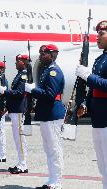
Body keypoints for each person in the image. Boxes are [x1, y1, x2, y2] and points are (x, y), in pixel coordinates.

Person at [25, 44, 65, 189]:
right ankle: (52, 179)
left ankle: (57, 182)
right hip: (46, 114)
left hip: (53, 115)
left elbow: (49, 95)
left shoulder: (54, 72)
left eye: (43, 53)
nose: (41, 56)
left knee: (55, 149)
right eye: (41, 53)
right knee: (49, 149)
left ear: (52, 54)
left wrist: (33, 90)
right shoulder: (47, 71)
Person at [75, 20, 107, 189]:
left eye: (101, 34)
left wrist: (89, 76)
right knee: (102, 164)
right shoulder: (100, 59)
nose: (97, 37)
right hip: (98, 116)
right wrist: (85, 105)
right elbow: (92, 88)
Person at [3, 54, 29, 174]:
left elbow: (19, 93)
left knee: (20, 138)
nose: (15, 63)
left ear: (23, 62)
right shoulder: (19, 74)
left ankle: (23, 165)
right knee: (17, 138)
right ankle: (20, 162)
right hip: (14, 110)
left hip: (18, 110)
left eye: (17, 61)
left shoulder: (24, 75)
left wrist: (5, 91)